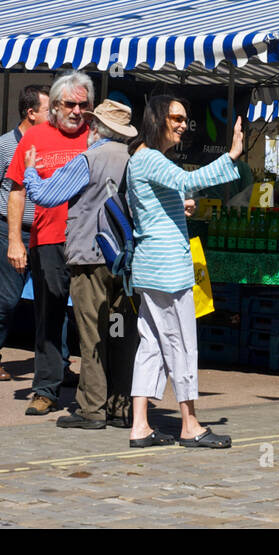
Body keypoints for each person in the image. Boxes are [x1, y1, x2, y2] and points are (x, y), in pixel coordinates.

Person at [125, 96, 243, 449]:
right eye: (176, 117)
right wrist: (233, 154)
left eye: (185, 118)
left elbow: (157, 201)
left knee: (151, 346)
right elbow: (192, 179)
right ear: (158, 117)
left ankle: (140, 426)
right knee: (181, 343)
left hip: (151, 266)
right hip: (167, 269)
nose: (182, 124)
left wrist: (179, 205)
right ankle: (189, 424)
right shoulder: (149, 157)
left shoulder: (144, 159)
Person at [23, 100, 139, 430]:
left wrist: (31, 172)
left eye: (90, 125)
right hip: (124, 263)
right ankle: (120, 405)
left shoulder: (90, 158)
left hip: (91, 259)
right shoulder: (132, 160)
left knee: (93, 334)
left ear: (97, 129)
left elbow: (46, 195)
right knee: (119, 333)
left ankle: (92, 409)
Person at [6, 72, 92, 417]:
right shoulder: (35, 137)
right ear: (54, 106)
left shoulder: (96, 137)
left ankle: (95, 394)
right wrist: (15, 240)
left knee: (92, 318)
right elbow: (16, 190)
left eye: (83, 105)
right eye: (69, 104)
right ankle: (45, 389)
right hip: (48, 240)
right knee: (49, 316)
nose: (76, 111)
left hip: (91, 242)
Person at [0, 85, 50, 381]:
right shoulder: (3, 146)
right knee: (7, 300)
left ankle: (59, 363)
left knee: (53, 300)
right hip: (13, 232)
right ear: (31, 113)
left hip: (47, 233)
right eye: (49, 110)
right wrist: (8, 217)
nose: (56, 115)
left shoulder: (51, 144)